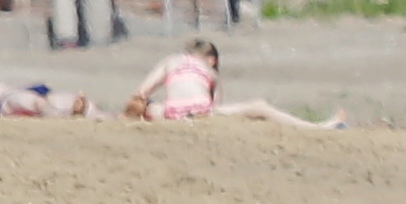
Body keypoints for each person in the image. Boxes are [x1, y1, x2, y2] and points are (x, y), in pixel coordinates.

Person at [120, 41, 343, 127]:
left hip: (171, 112)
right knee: (258, 105)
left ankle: (97, 113)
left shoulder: (170, 61)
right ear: (211, 60)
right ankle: (318, 127)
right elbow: (215, 106)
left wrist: (145, 105)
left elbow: (140, 92)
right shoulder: (211, 72)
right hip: (200, 112)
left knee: (147, 105)